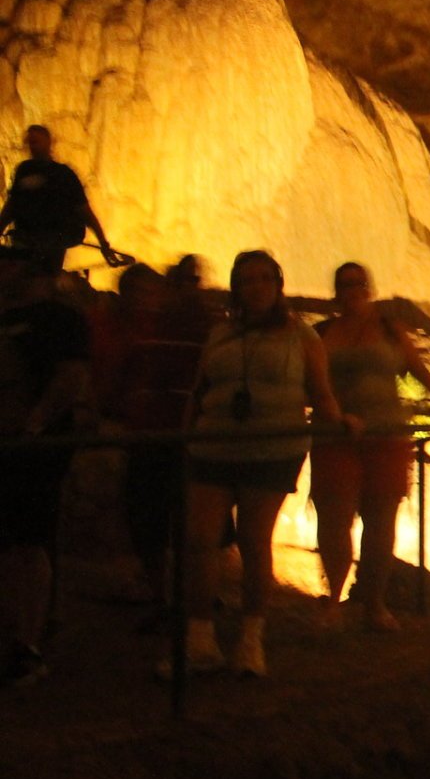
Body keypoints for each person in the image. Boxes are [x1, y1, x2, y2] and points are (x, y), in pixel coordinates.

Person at [180, 251, 349, 677]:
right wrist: (185, 435)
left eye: (262, 279)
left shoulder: (302, 336)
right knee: (201, 540)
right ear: (237, 287)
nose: (255, 287)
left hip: (271, 451)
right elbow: (199, 389)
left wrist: (342, 420)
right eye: (246, 280)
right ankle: (200, 637)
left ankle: (250, 639)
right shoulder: (220, 334)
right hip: (213, 445)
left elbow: (321, 392)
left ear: (277, 285)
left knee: (255, 542)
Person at [312, 262, 430, 632]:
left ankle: (374, 603)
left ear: (368, 288)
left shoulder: (389, 329)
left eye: (358, 283)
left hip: (386, 434)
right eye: (344, 284)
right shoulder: (321, 333)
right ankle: (335, 600)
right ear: (336, 291)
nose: (352, 290)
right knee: (335, 520)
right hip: (334, 436)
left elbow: (416, 366)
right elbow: (311, 381)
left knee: (381, 522)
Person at [95, 261, 211, 615]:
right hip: (147, 431)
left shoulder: (184, 327)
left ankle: (185, 596)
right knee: (145, 516)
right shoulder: (131, 332)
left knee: (186, 520)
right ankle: (160, 590)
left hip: (181, 432)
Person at [0, 244, 91, 685]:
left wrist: (35, 424)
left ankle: (28, 643)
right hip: (15, 440)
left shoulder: (59, 320)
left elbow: (70, 378)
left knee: (29, 541)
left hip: (31, 447)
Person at [0, 125, 118, 272]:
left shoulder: (63, 175)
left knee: (42, 278)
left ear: (49, 142)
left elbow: (84, 211)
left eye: (36, 141)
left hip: (52, 240)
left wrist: (103, 243)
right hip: (28, 239)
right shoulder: (24, 169)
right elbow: (12, 205)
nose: (33, 146)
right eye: (30, 142)